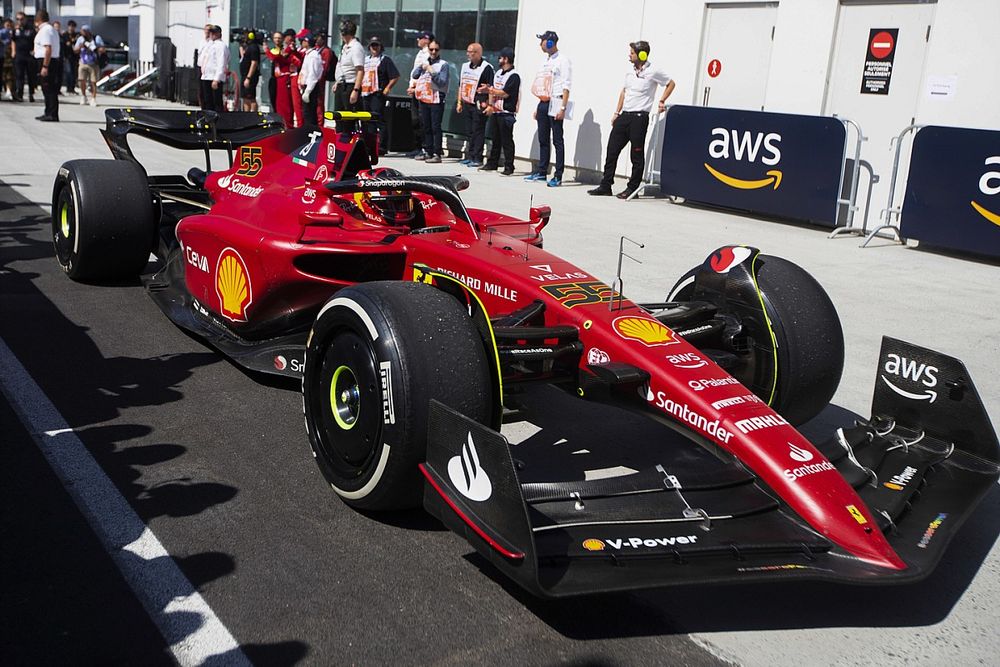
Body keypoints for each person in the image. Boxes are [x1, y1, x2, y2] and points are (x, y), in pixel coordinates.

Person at [589, 40, 675, 199]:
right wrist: (617, 112)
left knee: (636, 154)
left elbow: (670, 83)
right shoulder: (629, 71)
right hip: (625, 116)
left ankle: (632, 188)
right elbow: (623, 91)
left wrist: (662, 100)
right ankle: (606, 185)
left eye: (632, 53)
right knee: (612, 150)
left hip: (639, 118)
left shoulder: (654, 71)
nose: (629, 55)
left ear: (642, 54)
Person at [524, 30, 572, 187]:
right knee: (543, 138)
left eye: (543, 41)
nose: (540, 44)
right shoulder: (545, 61)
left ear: (550, 42)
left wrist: (563, 107)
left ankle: (558, 175)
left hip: (557, 102)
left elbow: (566, 85)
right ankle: (542, 171)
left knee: (557, 139)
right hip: (544, 102)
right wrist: (539, 105)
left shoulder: (563, 61)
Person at [480, 47, 519, 176]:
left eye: (501, 58)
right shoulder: (498, 73)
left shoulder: (514, 76)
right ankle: (492, 162)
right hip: (496, 111)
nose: (499, 60)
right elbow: (493, 88)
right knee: (495, 139)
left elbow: (505, 93)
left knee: (507, 141)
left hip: (506, 112)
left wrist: (489, 90)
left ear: (506, 59)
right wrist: (490, 105)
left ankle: (509, 166)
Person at [411, 39, 449, 163]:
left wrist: (432, 71)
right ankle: (428, 150)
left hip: (436, 99)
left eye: (436, 50)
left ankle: (437, 153)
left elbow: (442, 81)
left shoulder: (443, 64)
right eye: (431, 49)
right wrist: (421, 67)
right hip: (424, 98)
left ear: (439, 50)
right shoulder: (425, 62)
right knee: (426, 126)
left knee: (435, 127)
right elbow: (415, 75)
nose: (433, 52)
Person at [456, 43, 493, 168]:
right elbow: (460, 85)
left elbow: (491, 88)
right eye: (467, 51)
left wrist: (490, 105)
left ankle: (477, 158)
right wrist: (459, 102)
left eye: (471, 51)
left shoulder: (486, 67)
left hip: (480, 102)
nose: (468, 54)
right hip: (467, 102)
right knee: (470, 131)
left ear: (478, 53)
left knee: (478, 130)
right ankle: (470, 155)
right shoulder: (465, 66)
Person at [360, 36, 399, 152]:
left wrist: (387, 88)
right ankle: (370, 144)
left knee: (378, 119)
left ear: (381, 47)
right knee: (367, 120)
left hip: (377, 93)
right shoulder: (365, 60)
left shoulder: (385, 60)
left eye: (377, 45)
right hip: (365, 93)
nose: (375, 48)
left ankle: (381, 146)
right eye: (372, 45)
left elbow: (395, 76)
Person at [265, 31, 300, 127]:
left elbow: (277, 58)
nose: (277, 40)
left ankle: (287, 125)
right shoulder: (276, 50)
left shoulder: (287, 50)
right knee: (276, 103)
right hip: (276, 79)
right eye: (275, 38)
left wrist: (267, 51)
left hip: (284, 79)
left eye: (280, 38)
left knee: (285, 105)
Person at [405, 31, 432, 158]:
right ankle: (417, 146)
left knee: (422, 120)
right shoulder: (420, 53)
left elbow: (425, 75)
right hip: (414, 90)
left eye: (420, 38)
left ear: (426, 40)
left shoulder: (429, 54)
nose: (417, 40)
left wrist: (415, 88)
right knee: (415, 120)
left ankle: (424, 147)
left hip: (421, 91)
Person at [33, 10, 60, 122]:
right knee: (46, 88)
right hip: (48, 60)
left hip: (47, 61)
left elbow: (48, 49)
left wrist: (45, 66)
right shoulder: (49, 29)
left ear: (38, 20)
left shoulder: (46, 30)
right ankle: (48, 111)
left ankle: (52, 114)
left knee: (49, 88)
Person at [333, 19, 364, 112]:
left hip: (350, 86)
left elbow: (360, 70)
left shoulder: (356, 48)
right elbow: (342, 67)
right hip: (341, 85)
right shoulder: (345, 47)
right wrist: (337, 82)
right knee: (338, 117)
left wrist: (355, 90)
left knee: (347, 119)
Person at [198, 25, 227, 112]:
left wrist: (217, 79)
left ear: (218, 34)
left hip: (213, 77)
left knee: (216, 102)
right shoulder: (210, 44)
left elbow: (221, 63)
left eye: (213, 33)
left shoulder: (221, 46)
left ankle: (218, 123)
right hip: (206, 76)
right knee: (207, 101)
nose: (211, 34)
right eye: (210, 33)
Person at [298, 31, 324, 128]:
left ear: (307, 41)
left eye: (302, 40)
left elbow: (313, 74)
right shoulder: (308, 54)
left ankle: (311, 132)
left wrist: (308, 91)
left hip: (310, 88)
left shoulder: (313, 55)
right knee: (306, 113)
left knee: (309, 114)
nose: (301, 43)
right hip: (306, 86)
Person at [75, 25, 104, 107]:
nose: (82, 32)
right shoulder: (80, 39)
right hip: (83, 62)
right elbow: (75, 50)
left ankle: (93, 98)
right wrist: (81, 46)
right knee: (81, 80)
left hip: (93, 63)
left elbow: (103, 49)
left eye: (84, 31)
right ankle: (83, 96)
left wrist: (94, 48)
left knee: (93, 81)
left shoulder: (96, 38)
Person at [12, 12, 37, 103]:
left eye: (21, 19)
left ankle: (31, 94)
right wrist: (13, 51)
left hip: (29, 55)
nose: (20, 21)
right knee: (19, 75)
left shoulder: (31, 29)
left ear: (25, 19)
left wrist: (34, 50)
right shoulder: (16, 30)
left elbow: (35, 40)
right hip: (19, 55)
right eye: (18, 19)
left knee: (31, 75)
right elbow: (13, 40)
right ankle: (20, 94)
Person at [313, 32, 334, 124]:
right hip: (314, 79)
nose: (317, 40)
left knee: (319, 102)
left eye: (319, 38)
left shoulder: (326, 51)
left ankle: (320, 123)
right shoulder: (317, 49)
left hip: (320, 80)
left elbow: (324, 68)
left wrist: (318, 79)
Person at [239, 30, 260, 111]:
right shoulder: (248, 47)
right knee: (245, 98)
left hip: (249, 76)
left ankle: (253, 115)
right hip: (244, 75)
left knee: (250, 98)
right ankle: (246, 114)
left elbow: (254, 63)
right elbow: (243, 58)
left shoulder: (254, 47)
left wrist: (248, 78)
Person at [61, 20, 78, 95]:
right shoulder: (65, 35)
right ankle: (69, 88)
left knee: (74, 73)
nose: (71, 28)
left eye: (73, 27)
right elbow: (65, 45)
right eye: (70, 26)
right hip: (67, 56)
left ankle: (72, 88)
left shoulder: (76, 35)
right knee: (69, 72)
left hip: (75, 57)